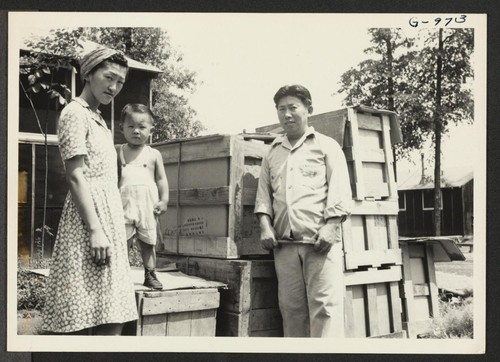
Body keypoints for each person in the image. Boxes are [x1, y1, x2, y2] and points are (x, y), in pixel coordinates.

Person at [42, 46, 138, 335]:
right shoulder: (75, 113)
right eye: (109, 77)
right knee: (80, 311)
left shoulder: (99, 120)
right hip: (88, 222)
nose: (114, 87)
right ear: (88, 74)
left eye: (120, 82)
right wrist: (95, 229)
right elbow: (75, 176)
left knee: (111, 308)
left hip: (108, 218)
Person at [254, 84, 353, 338]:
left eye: (292, 108)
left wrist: (331, 226)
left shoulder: (327, 146)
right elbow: (264, 195)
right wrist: (265, 226)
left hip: (321, 244)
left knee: (325, 309)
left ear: (308, 109)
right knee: (291, 309)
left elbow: (340, 190)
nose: (286, 114)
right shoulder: (273, 152)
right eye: (281, 109)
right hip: (284, 247)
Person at [116, 103, 169, 290]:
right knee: (122, 243)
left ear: (151, 130)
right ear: (121, 127)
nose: (136, 131)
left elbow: (161, 179)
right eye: (131, 126)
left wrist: (164, 200)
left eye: (142, 127)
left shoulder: (154, 154)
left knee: (148, 242)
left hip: (147, 205)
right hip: (123, 204)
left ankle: (150, 273)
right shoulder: (118, 151)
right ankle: (121, 275)